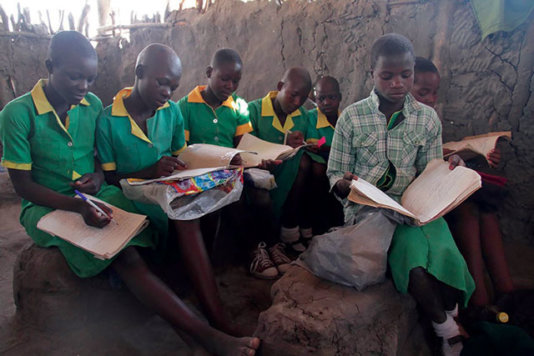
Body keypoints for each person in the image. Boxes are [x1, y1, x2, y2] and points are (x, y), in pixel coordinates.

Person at [0, 32, 259, 356]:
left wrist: (95, 178)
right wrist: (77, 206)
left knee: (149, 229)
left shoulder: (91, 105)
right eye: (74, 76)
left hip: (97, 195)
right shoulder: (17, 113)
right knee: (125, 253)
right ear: (50, 66)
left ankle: (198, 332)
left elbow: (97, 161)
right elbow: (23, 186)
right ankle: (206, 336)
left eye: (90, 79)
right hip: (45, 205)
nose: (83, 86)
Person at [95, 43, 257, 350]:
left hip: (166, 195)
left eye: (174, 86)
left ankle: (211, 311)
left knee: (196, 207)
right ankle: (216, 321)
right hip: (129, 197)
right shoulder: (108, 120)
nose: (168, 92)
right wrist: (147, 171)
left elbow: (179, 156)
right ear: (139, 73)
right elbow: (110, 177)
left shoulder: (170, 113)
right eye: (162, 82)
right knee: (185, 218)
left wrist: (209, 164)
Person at [327, 33, 475, 356]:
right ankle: (447, 329)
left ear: (412, 72)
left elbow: (429, 172)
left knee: (443, 249)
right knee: (411, 257)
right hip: (371, 213)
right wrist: (343, 184)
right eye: (387, 76)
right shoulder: (351, 118)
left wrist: (448, 171)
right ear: (372, 74)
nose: (397, 83)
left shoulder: (427, 119)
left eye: (405, 75)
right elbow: (335, 173)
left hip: (415, 208)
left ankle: (452, 313)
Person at [412, 56, 515, 308]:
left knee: (486, 211)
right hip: (417, 197)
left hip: (435, 185)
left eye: (434, 93)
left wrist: (470, 153)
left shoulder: (430, 120)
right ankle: (478, 297)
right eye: (423, 92)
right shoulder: (397, 121)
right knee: (468, 211)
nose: (430, 99)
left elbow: (436, 152)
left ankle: (506, 292)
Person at [246, 67, 314, 278]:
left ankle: (279, 240)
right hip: (256, 177)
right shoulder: (253, 110)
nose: (296, 103)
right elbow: (245, 147)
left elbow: (308, 143)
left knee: (306, 165)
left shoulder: (302, 116)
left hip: (285, 175)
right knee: (261, 194)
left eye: (302, 99)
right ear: (280, 87)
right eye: (293, 95)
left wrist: (303, 144)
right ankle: (261, 246)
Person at [177, 48, 252, 148]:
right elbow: (181, 151)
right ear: (209, 72)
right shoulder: (185, 107)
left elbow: (243, 148)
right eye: (224, 79)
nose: (230, 86)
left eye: (235, 81)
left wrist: (238, 158)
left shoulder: (239, 106)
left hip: (231, 164)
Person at [306, 76, 344, 233]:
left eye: (332, 97)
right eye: (321, 98)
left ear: (340, 98)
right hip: (321, 162)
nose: (327, 103)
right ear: (315, 99)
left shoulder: (346, 119)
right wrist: (333, 146)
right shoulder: (311, 117)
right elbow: (315, 145)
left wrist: (327, 146)